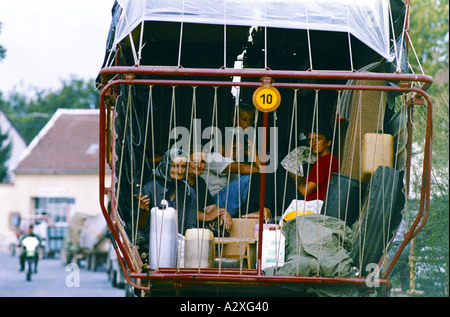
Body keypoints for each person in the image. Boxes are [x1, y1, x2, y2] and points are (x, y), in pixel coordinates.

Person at [136, 148, 197, 249]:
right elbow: (141, 228)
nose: (180, 171)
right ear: (166, 165)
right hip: (153, 248)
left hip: (180, 248)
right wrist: (143, 212)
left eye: (183, 167)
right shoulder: (150, 189)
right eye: (175, 166)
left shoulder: (188, 192)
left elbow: (190, 226)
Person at [187, 149, 232, 236]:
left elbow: (210, 207)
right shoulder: (179, 181)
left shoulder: (200, 182)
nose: (199, 165)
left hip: (197, 226)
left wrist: (223, 213)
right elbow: (182, 210)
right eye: (195, 161)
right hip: (182, 226)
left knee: (220, 225)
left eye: (202, 162)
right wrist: (207, 217)